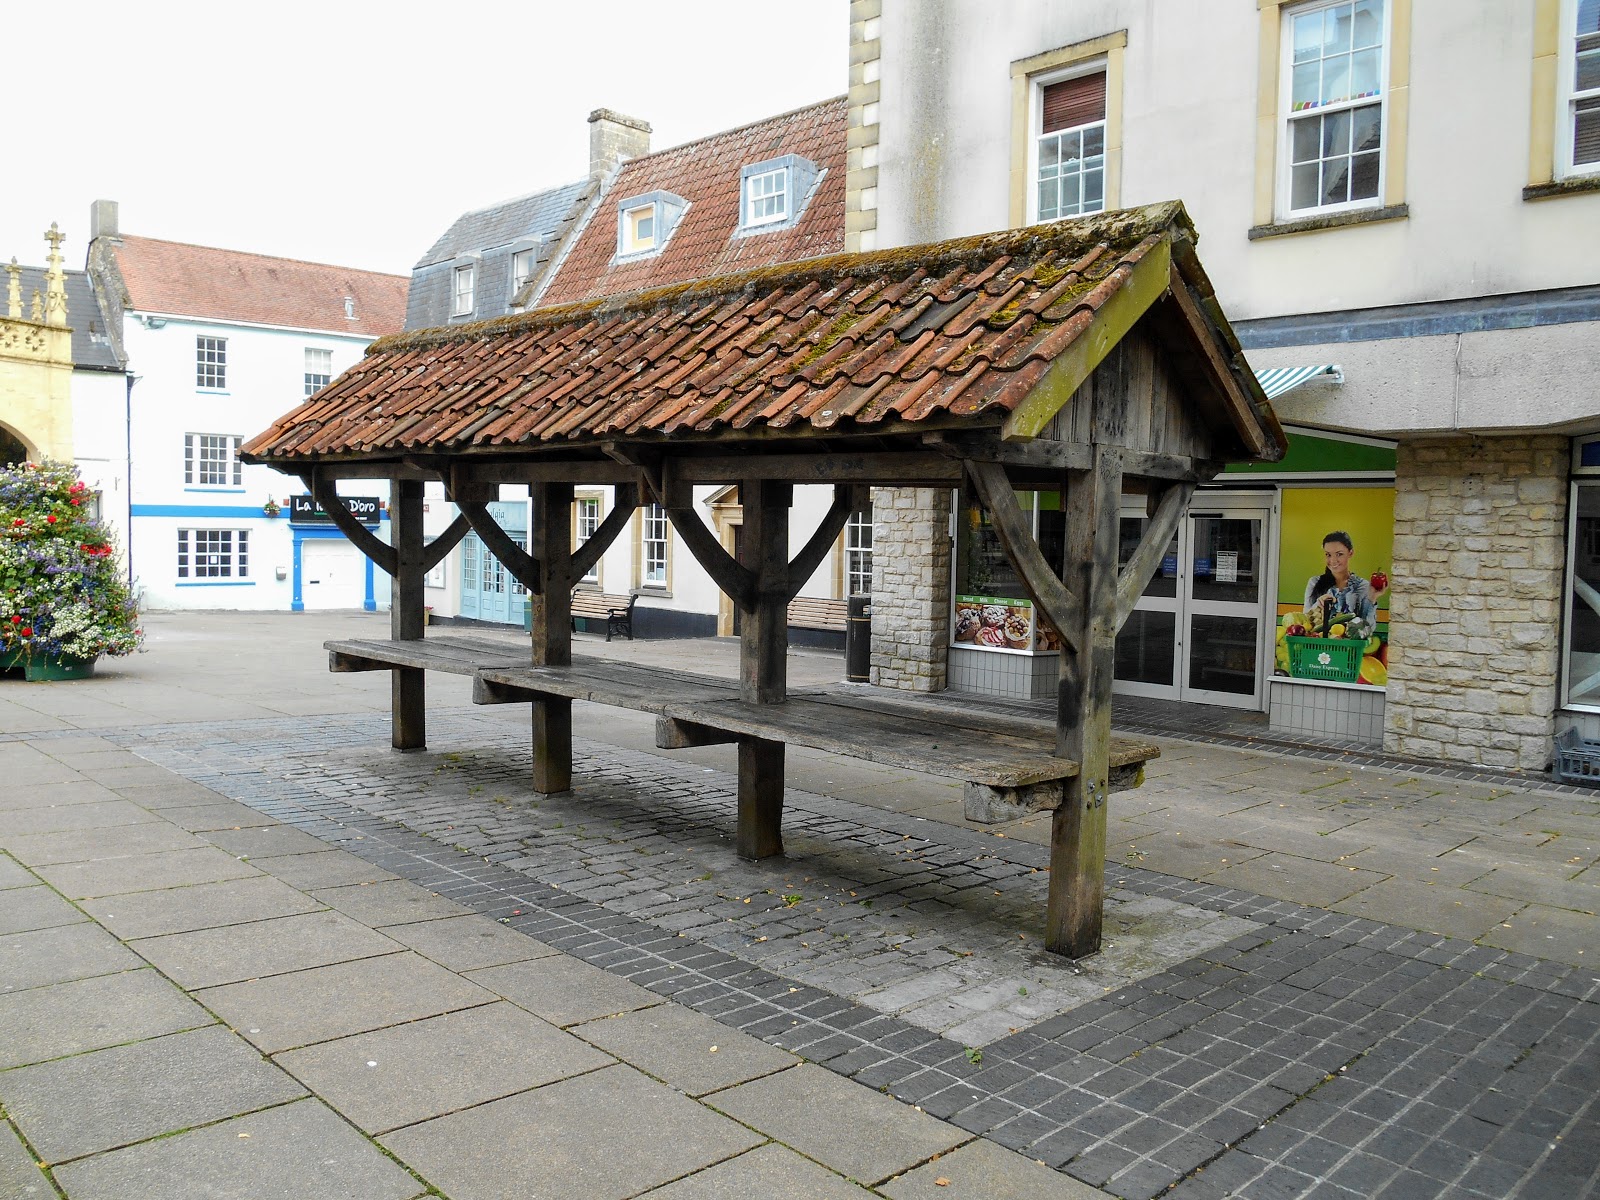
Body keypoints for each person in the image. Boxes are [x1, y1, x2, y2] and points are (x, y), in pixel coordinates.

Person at [1304, 530, 1376, 633]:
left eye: (1339, 554)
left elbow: (1368, 629)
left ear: (1350, 553)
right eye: (1328, 555)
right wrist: (1318, 604)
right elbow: (1305, 624)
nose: (1333, 560)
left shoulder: (1363, 586)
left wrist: (1373, 598)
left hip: (1350, 648)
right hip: (1318, 646)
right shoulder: (1314, 582)